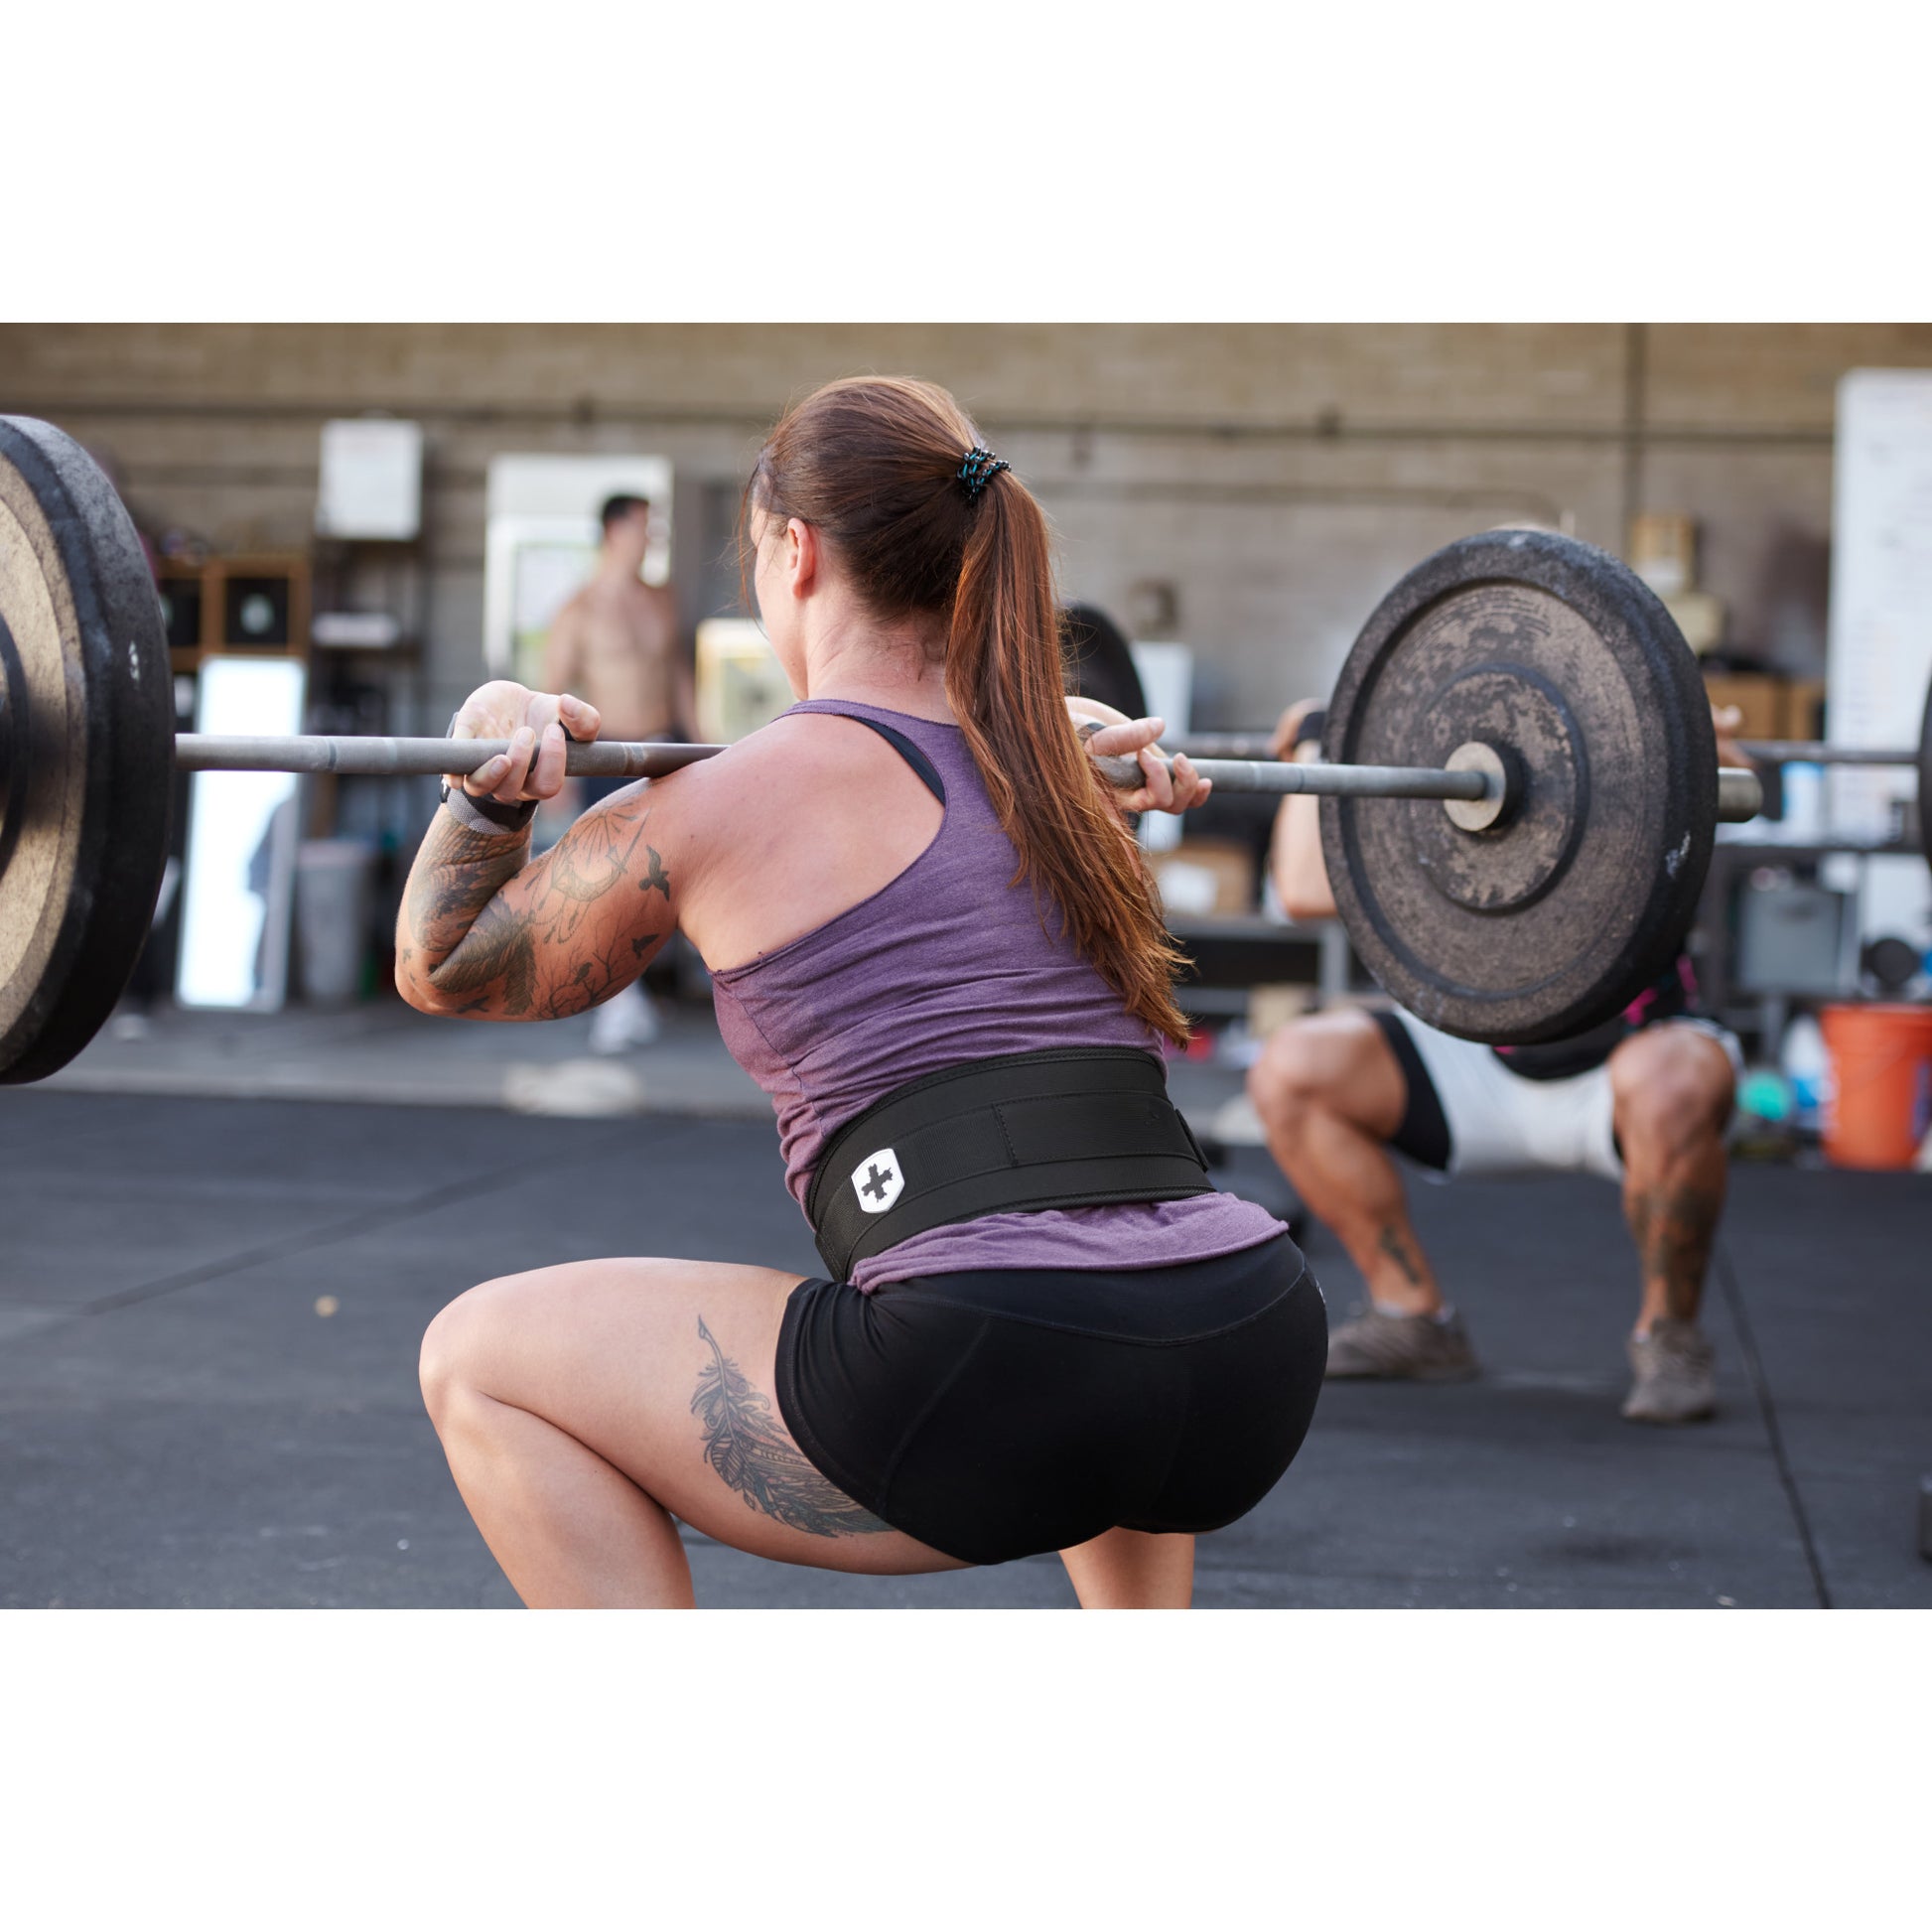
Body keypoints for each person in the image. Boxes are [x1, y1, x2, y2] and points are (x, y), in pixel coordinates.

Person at [395, 377, 1326, 1608]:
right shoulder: (1069, 767)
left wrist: (487, 782)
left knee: (478, 1356)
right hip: (1243, 1343)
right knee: (1086, 1262)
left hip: (994, 1373)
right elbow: (1016, 736)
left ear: (798, 550)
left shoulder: (722, 800)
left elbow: (445, 966)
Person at [1245, 696, 1745, 1426]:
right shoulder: (1435, 772)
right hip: (1477, 1064)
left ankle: (1671, 1335)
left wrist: (1702, 744)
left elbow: (1742, 788)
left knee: (1668, 1080)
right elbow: (1303, 892)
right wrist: (1319, 748)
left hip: (1629, 1069)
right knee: (1294, 1064)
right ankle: (1414, 1318)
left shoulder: (1632, 738)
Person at [539, 492, 695, 1052]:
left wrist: (704, 746)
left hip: (667, 748)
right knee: (607, 884)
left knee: (675, 878)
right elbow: (553, 697)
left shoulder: (662, 600)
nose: (650, 537)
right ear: (614, 530)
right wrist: (560, 776)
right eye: (642, 526)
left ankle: (643, 991)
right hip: (609, 754)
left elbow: (679, 674)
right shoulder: (578, 610)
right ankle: (617, 1000)